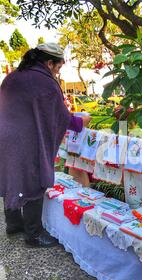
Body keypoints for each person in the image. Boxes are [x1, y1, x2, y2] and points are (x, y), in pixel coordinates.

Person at [0, 43, 91, 248]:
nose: (58, 72)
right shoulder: (44, 81)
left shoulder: (12, 77)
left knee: (12, 177)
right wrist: (81, 122)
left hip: (4, 137)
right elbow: (60, 116)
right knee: (35, 178)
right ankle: (33, 235)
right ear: (49, 63)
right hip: (25, 140)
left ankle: (13, 224)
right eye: (58, 67)